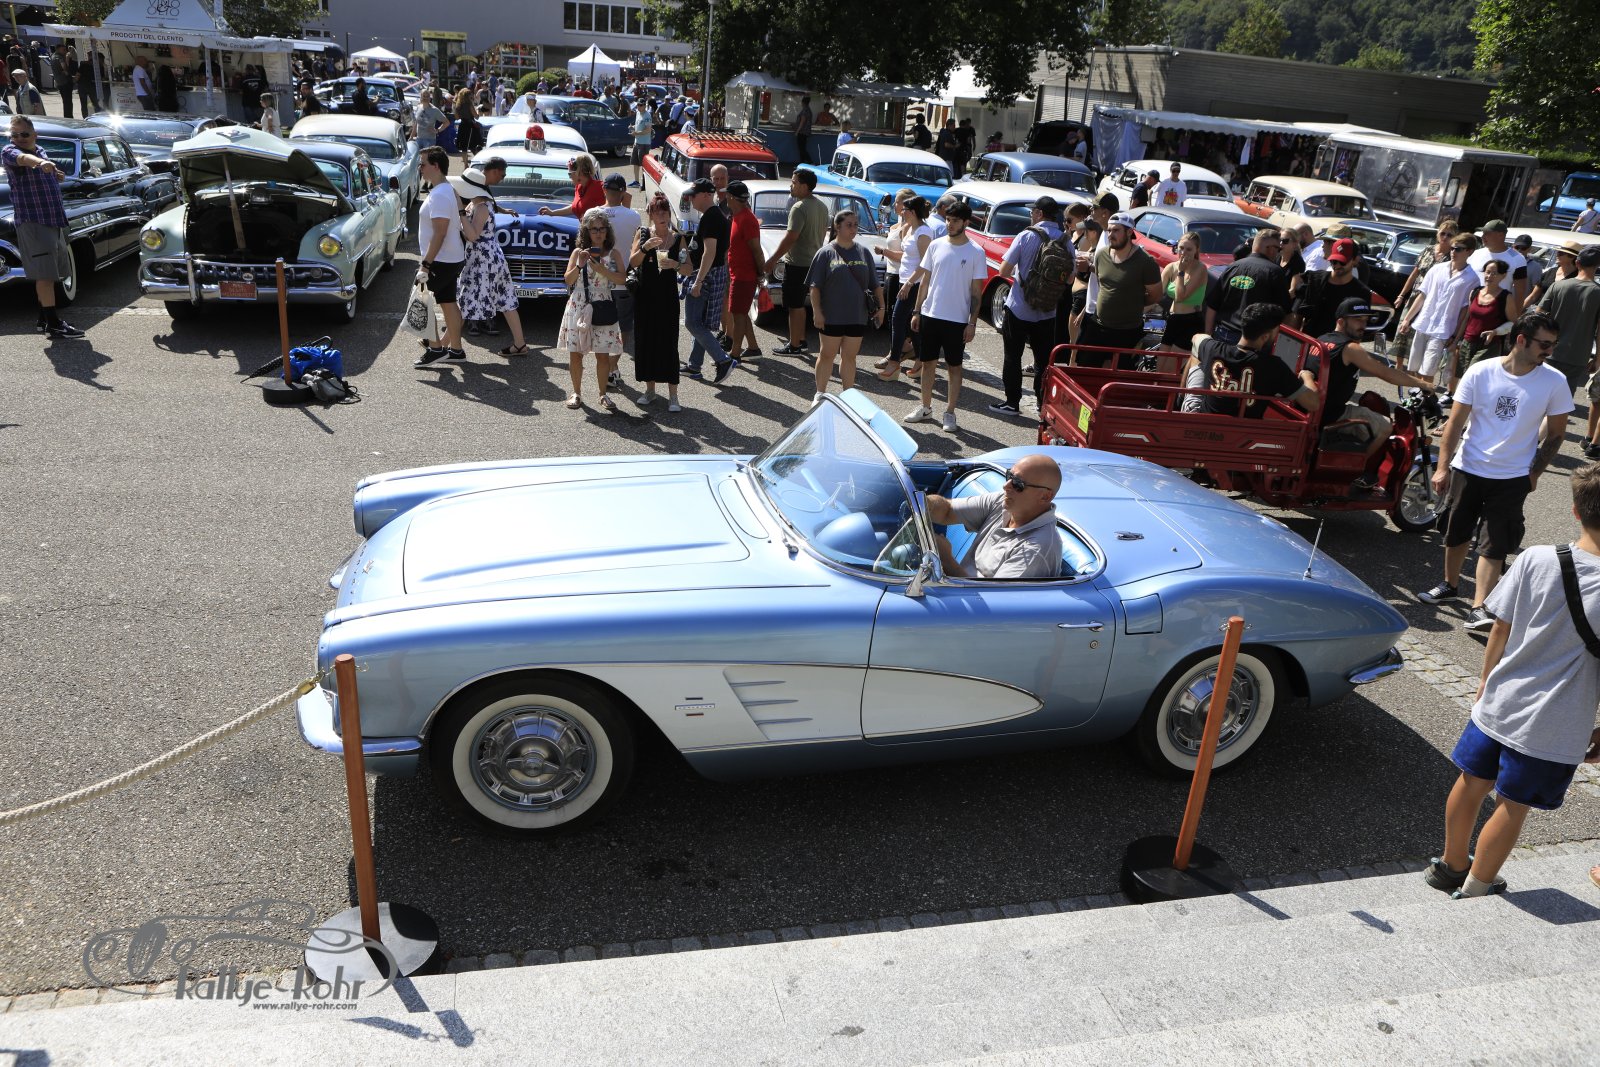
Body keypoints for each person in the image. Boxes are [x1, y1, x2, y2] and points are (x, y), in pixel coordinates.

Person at [1424, 463, 1600, 899]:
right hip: (1556, 720)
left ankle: (1450, 865)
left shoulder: (1537, 558)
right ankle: (1478, 888)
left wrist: (1486, 682)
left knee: (1470, 783)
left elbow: (1499, 626)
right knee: (1513, 804)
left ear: (1575, 511)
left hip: (1500, 699)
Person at [1420, 311, 1573, 629]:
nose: (1549, 351)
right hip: (1468, 467)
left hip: (1513, 476)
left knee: (1495, 543)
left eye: (1553, 344)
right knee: (1456, 531)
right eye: (1544, 344)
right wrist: (1442, 467)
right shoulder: (1481, 371)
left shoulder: (1555, 381)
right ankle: (1450, 586)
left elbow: (1556, 434)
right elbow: (1455, 423)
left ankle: (1480, 607)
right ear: (1521, 340)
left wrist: (1535, 473)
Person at [1310, 298, 1437, 478]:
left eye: (1365, 320)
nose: (1363, 325)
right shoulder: (1350, 348)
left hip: (1316, 409)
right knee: (1384, 425)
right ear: (1341, 321)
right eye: (1357, 319)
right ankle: (1357, 473)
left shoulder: (1322, 339)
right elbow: (1385, 373)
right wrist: (1423, 384)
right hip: (1332, 413)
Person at [905, 200, 987, 432]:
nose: (950, 224)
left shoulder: (976, 252)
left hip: (957, 320)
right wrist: (917, 311)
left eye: (955, 221)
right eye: (948, 220)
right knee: (927, 363)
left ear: (966, 223)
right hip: (930, 315)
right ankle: (925, 407)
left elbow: (976, 293)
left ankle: (950, 413)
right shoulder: (935, 245)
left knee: (954, 367)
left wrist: (972, 323)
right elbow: (925, 281)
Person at [2, 115, 84, 338]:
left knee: (53, 273)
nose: (19, 138)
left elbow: (39, 166)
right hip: (34, 222)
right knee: (45, 275)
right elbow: (23, 159)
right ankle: (54, 324)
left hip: (53, 220)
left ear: (34, 135)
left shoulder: (40, 150)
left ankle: (43, 320)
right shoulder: (10, 151)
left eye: (24, 134)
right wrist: (40, 163)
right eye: (14, 134)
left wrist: (54, 173)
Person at [924, 455, 1064, 579]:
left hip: (967, 597)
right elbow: (947, 511)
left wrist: (946, 560)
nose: (1006, 486)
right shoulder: (1001, 502)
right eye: (1009, 476)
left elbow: (992, 598)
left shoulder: (1035, 550)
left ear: (1045, 496)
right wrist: (923, 504)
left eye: (1018, 484)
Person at [991, 196, 1063, 415]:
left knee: (1013, 356)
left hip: (1019, 307)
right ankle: (1042, 405)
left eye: (1033, 211)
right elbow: (1069, 279)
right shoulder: (1065, 240)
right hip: (1048, 310)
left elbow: (1003, 270)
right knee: (1043, 361)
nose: (1031, 215)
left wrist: (1021, 274)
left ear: (1039, 213)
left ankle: (1012, 402)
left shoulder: (1026, 235)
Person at [806, 207, 883, 400]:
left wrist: (882, 308)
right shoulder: (825, 253)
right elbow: (814, 287)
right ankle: (820, 394)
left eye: (856, 225)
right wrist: (817, 312)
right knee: (827, 355)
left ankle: (847, 396)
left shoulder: (864, 252)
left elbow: (875, 285)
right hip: (832, 315)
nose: (853, 229)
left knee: (849, 357)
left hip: (857, 315)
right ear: (837, 226)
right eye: (849, 225)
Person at [454, 162, 528, 357]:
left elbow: (472, 235)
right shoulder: (478, 204)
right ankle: (520, 344)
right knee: (504, 298)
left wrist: (461, 214)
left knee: (465, 299)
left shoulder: (481, 207)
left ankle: (444, 345)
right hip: (488, 257)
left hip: (482, 260)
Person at [1192, 303, 1317, 419]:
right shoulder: (1274, 367)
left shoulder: (1213, 349)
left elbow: (1196, 338)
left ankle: (1182, 398)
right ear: (1265, 337)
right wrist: (1307, 376)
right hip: (1246, 431)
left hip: (1205, 425)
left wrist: (1208, 338)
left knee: (1197, 356)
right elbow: (1313, 404)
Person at [558, 208, 628, 410]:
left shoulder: (613, 254)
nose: (598, 233)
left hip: (603, 305)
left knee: (603, 354)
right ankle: (576, 393)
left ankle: (603, 394)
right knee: (575, 353)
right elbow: (568, 280)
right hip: (579, 304)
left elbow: (622, 279)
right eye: (593, 229)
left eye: (602, 228)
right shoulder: (578, 253)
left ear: (607, 231)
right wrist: (580, 265)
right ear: (586, 232)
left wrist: (602, 269)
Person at [1078, 211, 1162, 363]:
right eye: (1109, 230)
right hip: (1098, 325)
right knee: (1085, 368)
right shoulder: (1101, 255)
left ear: (1129, 232)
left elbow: (1155, 295)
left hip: (1127, 331)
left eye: (1116, 230)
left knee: (1119, 373)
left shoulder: (1146, 262)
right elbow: (1103, 283)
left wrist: (1132, 302)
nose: (1110, 235)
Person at [628, 193, 686, 411]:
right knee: (646, 342)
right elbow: (633, 263)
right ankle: (650, 390)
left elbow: (688, 268)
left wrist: (676, 265)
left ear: (669, 215)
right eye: (657, 212)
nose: (661, 216)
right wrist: (645, 248)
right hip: (645, 298)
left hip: (667, 299)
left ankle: (673, 396)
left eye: (665, 212)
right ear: (650, 215)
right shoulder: (643, 234)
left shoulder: (678, 239)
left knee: (669, 344)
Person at [1400, 233, 1482, 388]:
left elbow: (1465, 311)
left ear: (1469, 251)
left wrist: (1455, 337)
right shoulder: (1437, 269)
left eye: (1458, 249)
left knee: (1427, 372)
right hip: (1423, 323)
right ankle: (1415, 397)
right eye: (1452, 248)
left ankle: (1424, 398)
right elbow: (1422, 295)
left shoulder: (1473, 279)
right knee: (1413, 369)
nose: (1453, 252)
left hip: (1443, 330)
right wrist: (1407, 319)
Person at [764, 168, 829, 357]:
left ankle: (794, 345)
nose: (791, 186)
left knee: (794, 305)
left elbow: (791, 237)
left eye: (794, 182)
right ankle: (800, 340)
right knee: (799, 303)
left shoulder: (799, 207)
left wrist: (772, 259)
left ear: (804, 186)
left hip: (798, 263)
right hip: (813, 262)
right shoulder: (821, 206)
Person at [413, 147, 468, 368]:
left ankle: (435, 348)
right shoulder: (443, 190)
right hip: (450, 257)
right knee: (448, 301)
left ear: (435, 166)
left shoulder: (440, 194)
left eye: (423, 164)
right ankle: (456, 350)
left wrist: (426, 264)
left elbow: (440, 232)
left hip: (441, 260)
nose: (420, 168)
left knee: (422, 302)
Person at [680, 177, 739, 384]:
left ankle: (723, 360)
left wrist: (698, 281)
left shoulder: (711, 217)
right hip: (711, 275)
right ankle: (694, 366)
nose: (690, 199)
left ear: (706, 195)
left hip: (705, 276)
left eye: (693, 195)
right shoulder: (714, 215)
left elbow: (709, 252)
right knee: (701, 323)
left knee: (692, 323)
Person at [1532, 245, 1600, 418]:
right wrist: (1597, 359)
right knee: (1561, 404)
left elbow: (1537, 316)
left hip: (1548, 350)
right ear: (1597, 266)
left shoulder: (1558, 286)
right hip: (1577, 356)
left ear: (1577, 263)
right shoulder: (1598, 293)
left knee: (1538, 396)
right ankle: (1546, 432)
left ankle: (1530, 430)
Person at [876, 192, 934, 381]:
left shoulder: (923, 232)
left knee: (897, 319)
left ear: (913, 212)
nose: (901, 211)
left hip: (914, 284)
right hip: (905, 280)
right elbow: (907, 255)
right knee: (909, 322)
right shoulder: (910, 229)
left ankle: (894, 362)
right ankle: (920, 360)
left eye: (905, 209)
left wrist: (909, 283)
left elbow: (926, 263)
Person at [1393, 221, 1460, 369]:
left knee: (1418, 335)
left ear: (1455, 237)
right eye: (1443, 233)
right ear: (1438, 234)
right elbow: (1414, 274)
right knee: (1403, 330)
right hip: (1415, 296)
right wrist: (1402, 295)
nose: (1445, 237)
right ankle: (1398, 367)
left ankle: (1414, 369)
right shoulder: (1428, 250)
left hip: (1432, 300)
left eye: (1449, 235)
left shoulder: (1453, 256)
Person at [1451, 260, 1514, 397]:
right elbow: (1467, 318)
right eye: (1487, 272)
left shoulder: (1506, 297)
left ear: (1503, 276)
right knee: (1459, 373)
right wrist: (1456, 341)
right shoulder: (1475, 292)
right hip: (1467, 342)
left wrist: (1496, 332)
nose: (1489, 276)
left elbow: (1513, 323)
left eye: (1494, 273)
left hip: (1488, 346)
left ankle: (1470, 403)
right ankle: (1453, 397)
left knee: (1473, 376)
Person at [1291, 237, 1372, 338]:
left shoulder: (1361, 293)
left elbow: (1358, 330)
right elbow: (1296, 316)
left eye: (1342, 262)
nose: (1337, 265)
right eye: (1334, 261)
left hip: (1337, 346)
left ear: (1355, 260)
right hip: (1309, 342)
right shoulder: (1313, 280)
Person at [723, 181, 764, 364]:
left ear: (732, 197)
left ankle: (734, 354)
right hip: (738, 274)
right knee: (741, 312)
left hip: (744, 276)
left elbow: (757, 250)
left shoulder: (747, 219)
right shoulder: (738, 215)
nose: (725, 197)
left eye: (727, 195)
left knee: (737, 315)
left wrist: (761, 273)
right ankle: (753, 348)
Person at [1159, 232, 1208, 353]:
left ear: (1196, 250)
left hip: (1191, 322)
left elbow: (1180, 297)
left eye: (1189, 249)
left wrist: (1181, 272)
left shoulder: (1200, 268)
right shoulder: (1171, 267)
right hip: (1173, 319)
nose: (1183, 252)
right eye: (1181, 248)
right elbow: (1157, 293)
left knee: (1172, 364)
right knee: (1161, 363)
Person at [1468, 220, 1529, 313]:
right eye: (1483, 233)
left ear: (1500, 235)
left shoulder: (1517, 258)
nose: (1482, 236)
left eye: (1487, 233)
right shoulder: (1475, 254)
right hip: (1469, 309)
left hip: (1496, 312)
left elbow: (1520, 292)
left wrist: (1515, 318)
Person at [539, 152, 605, 219]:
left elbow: (610, 206)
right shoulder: (579, 187)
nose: (569, 177)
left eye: (570, 174)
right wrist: (552, 213)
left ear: (579, 173)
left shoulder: (600, 187)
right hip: (583, 225)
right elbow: (574, 208)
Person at [629, 97, 652, 187]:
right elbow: (638, 124)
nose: (639, 106)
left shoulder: (647, 115)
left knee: (643, 164)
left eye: (641, 105)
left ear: (645, 106)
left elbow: (648, 130)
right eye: (638, 105)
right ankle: (636, 181)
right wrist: (633, 127)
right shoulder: (638, 113)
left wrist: (636, 133)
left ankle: (644, 183)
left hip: (644, 144)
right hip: (637, 142)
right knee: (635, 162)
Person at [452, 86, 477, 161]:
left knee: (463, 146)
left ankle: (465, 164)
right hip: (470, 125)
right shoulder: (469, 104)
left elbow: (457, 118)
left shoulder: (458, 105)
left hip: (462, 125)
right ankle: (478, 159)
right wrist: (477, 113)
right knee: (473, 144)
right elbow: (476, 116)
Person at [75, 48, 100, 116]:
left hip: (82, 86)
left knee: (83, 104)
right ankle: (98, 116)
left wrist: (75, 81)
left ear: (89, 56)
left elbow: (78, 75)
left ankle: (85, 117)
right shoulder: (97, 65)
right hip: (92, 86)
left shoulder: (83, 64)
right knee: (95, 103)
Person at [793, 94, 813, 166]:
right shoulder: (808, 110)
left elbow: (802, 121)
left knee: (802, 149)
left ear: (803, 102)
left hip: (802, 132)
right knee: (802, 149)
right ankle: (802, 164)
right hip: (805, 132)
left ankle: (810, 162)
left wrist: (797, 131)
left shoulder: (805, 110)